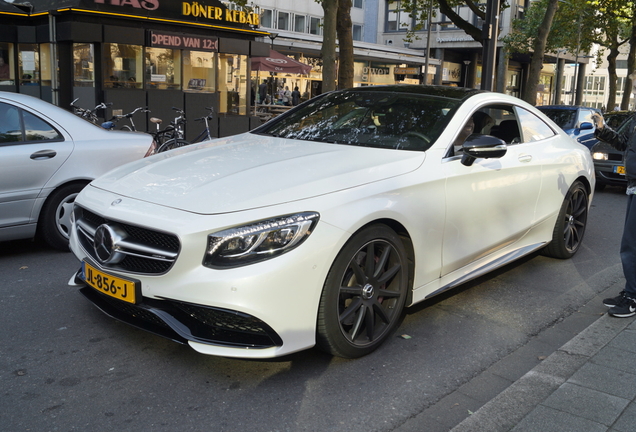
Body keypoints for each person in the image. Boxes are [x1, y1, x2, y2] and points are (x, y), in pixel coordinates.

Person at [592, 87, 636, 317]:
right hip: (633, 186)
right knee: (629, 245)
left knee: (631, 246)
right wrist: (603, 129)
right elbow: (624, 144)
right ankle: (630, 291)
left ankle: (633, 297)